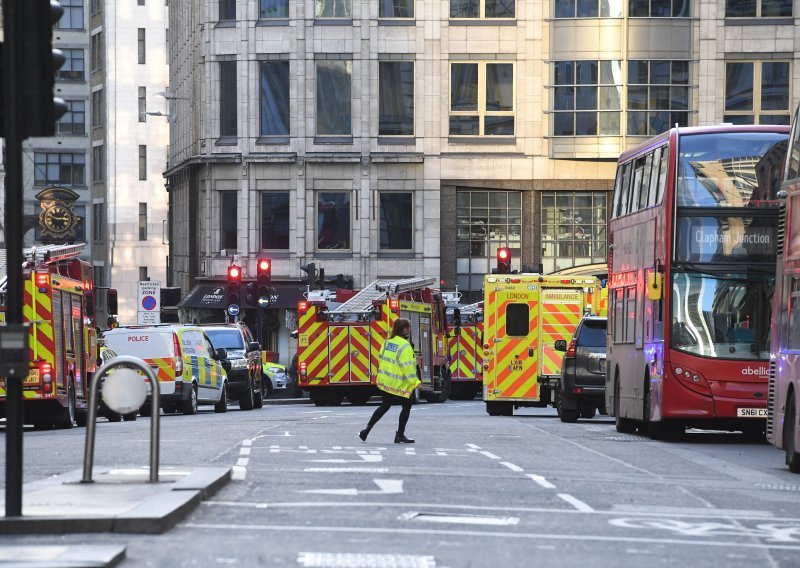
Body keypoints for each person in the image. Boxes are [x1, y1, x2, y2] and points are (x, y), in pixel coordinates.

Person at [359, 318, 421, 444]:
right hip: (399, 383)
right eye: (408, 327)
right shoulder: (405, 345)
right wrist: (415, 382)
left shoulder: (387, 342)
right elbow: (407, 366)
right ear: (404, 329)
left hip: (386, 381)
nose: (409, 329)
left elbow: (382, 358)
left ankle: (366, 430)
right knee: (407, 406)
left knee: (384, 406)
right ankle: (400, 435)